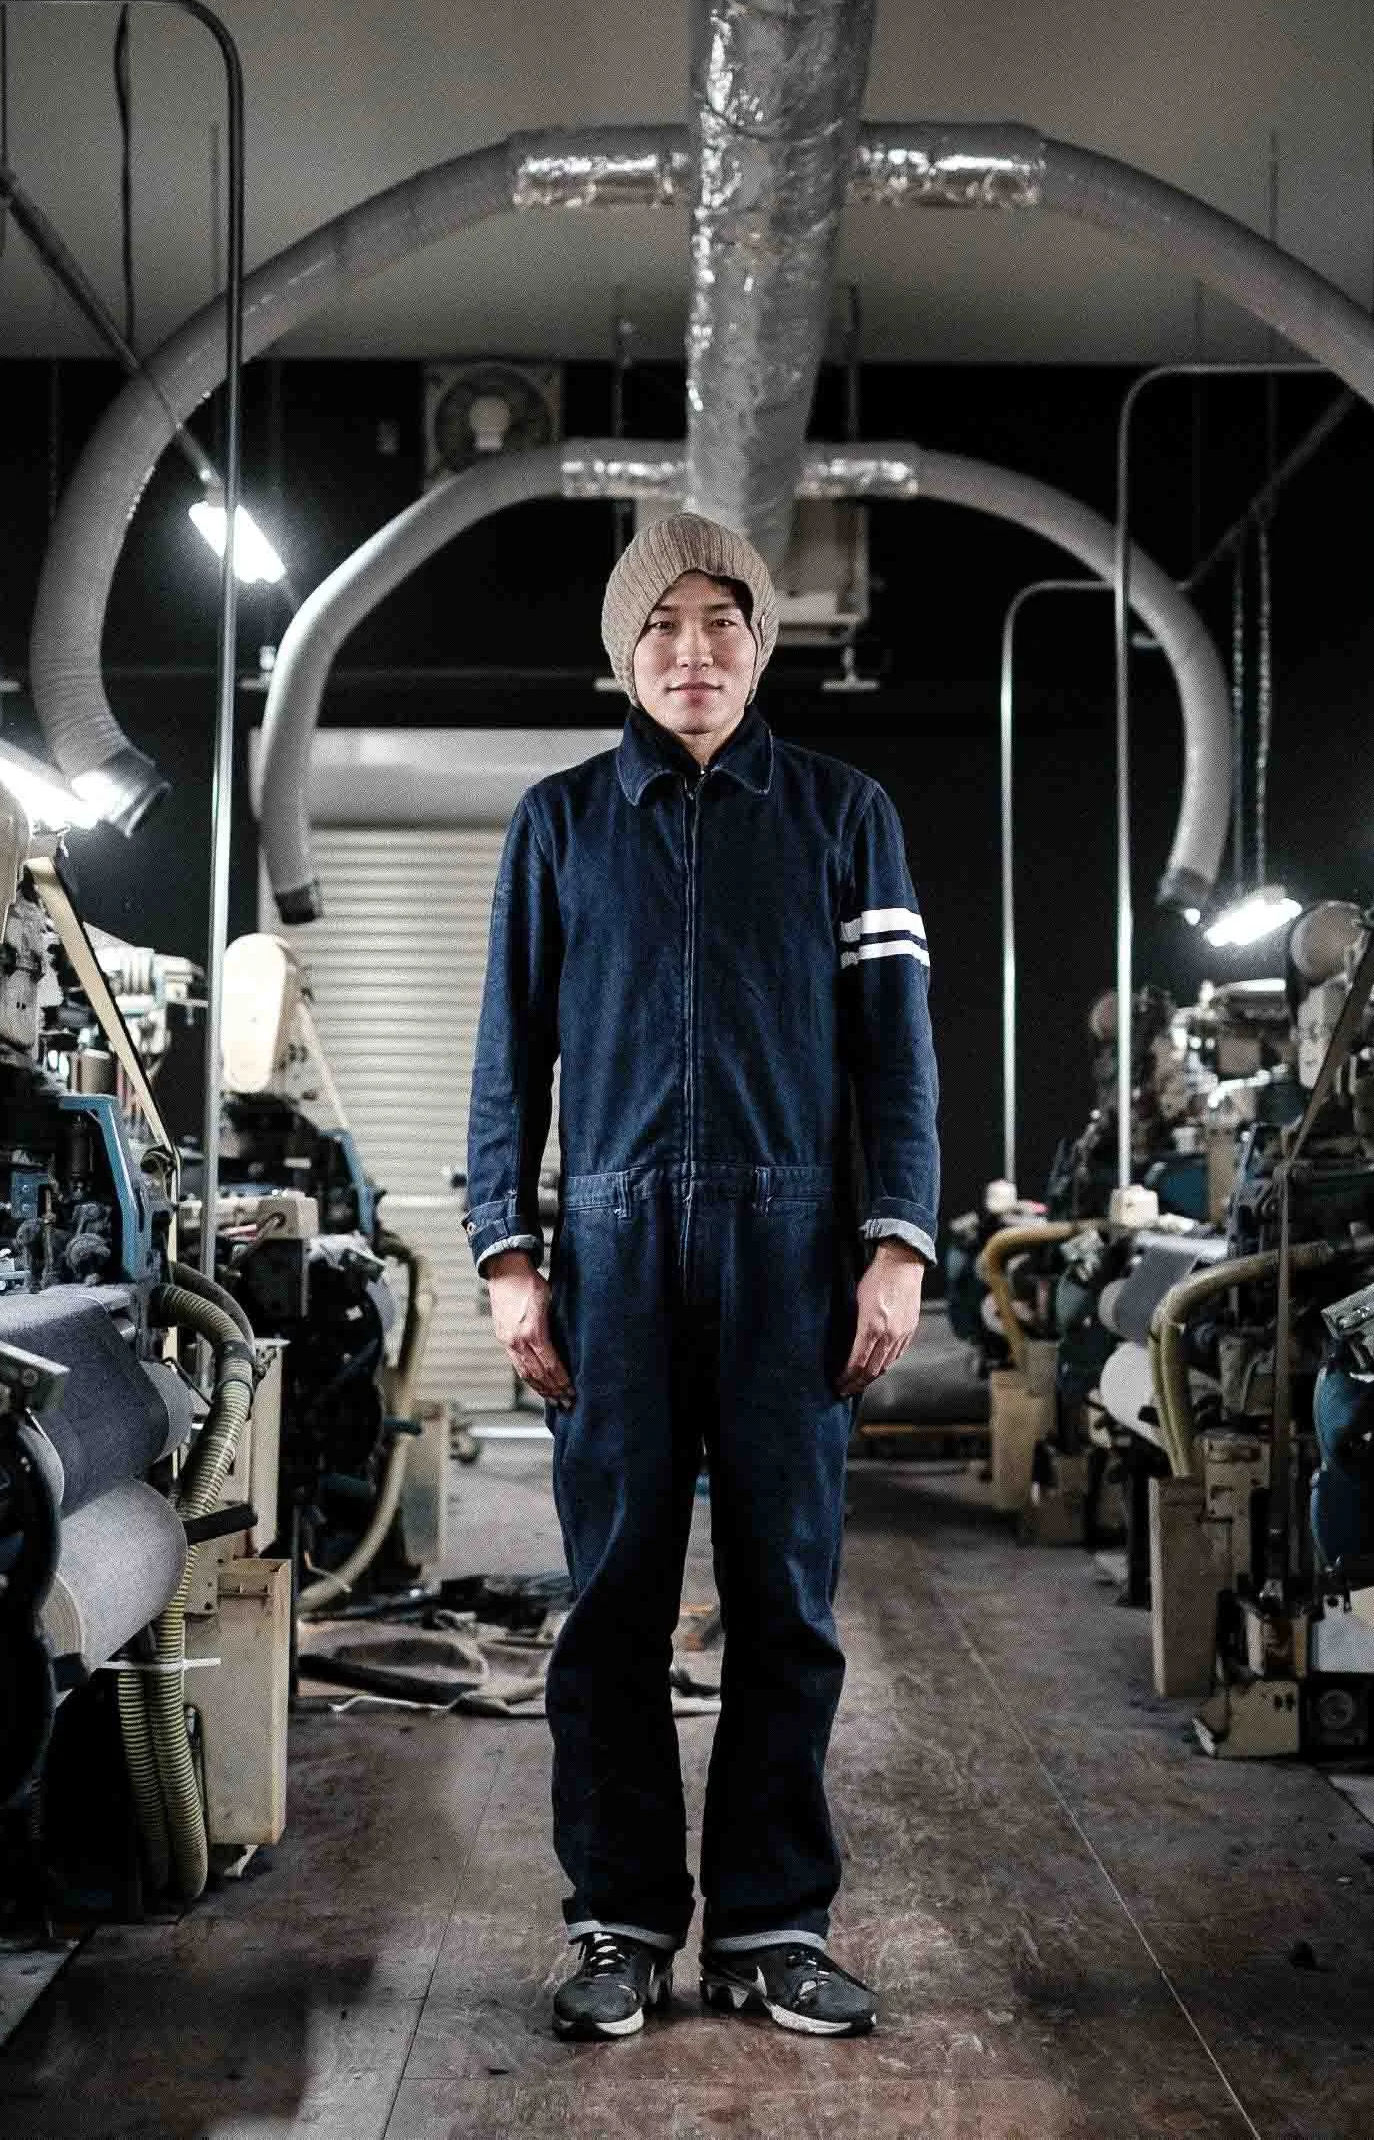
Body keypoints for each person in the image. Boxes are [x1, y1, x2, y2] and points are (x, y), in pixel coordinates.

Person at [464, 513, 940, 2042]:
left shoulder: (843, 815)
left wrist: (898, 1239)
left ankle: (772, 1926)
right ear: (625, 650)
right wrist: (507, 1249)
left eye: (723, 620)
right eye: (662, 624)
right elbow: (505, 1057)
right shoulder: (558, 825)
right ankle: (614, 1921)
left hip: (791, 1250)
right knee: (609, 1607)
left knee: (784, 1605)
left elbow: (900, 1056)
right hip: (606, 1250)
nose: (695, 651)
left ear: (761, 641)